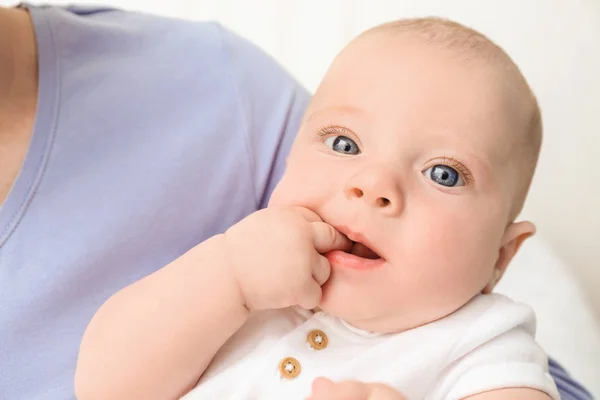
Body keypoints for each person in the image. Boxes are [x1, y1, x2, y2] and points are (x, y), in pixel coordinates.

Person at [0, 4, 592, 400]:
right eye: (343, 143)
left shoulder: (482, 345)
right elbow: (107, 386)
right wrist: (229, 275)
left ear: (501, 258)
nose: (372, 186)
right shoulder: (244, 292)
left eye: (443, 173)